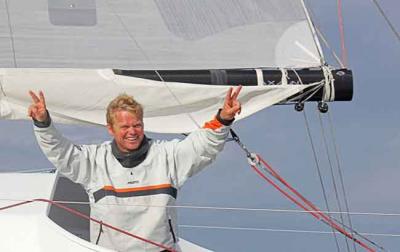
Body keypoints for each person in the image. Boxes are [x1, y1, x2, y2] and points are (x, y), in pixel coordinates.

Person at [28, 86, 242, 252]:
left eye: (137, 125)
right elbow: (62, 153)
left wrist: (223, 118)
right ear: (111, 129)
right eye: (125, 127)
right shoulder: (94, 162)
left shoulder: (167, 156)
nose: (132, 131)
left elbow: (201, 146)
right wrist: (43, 124)